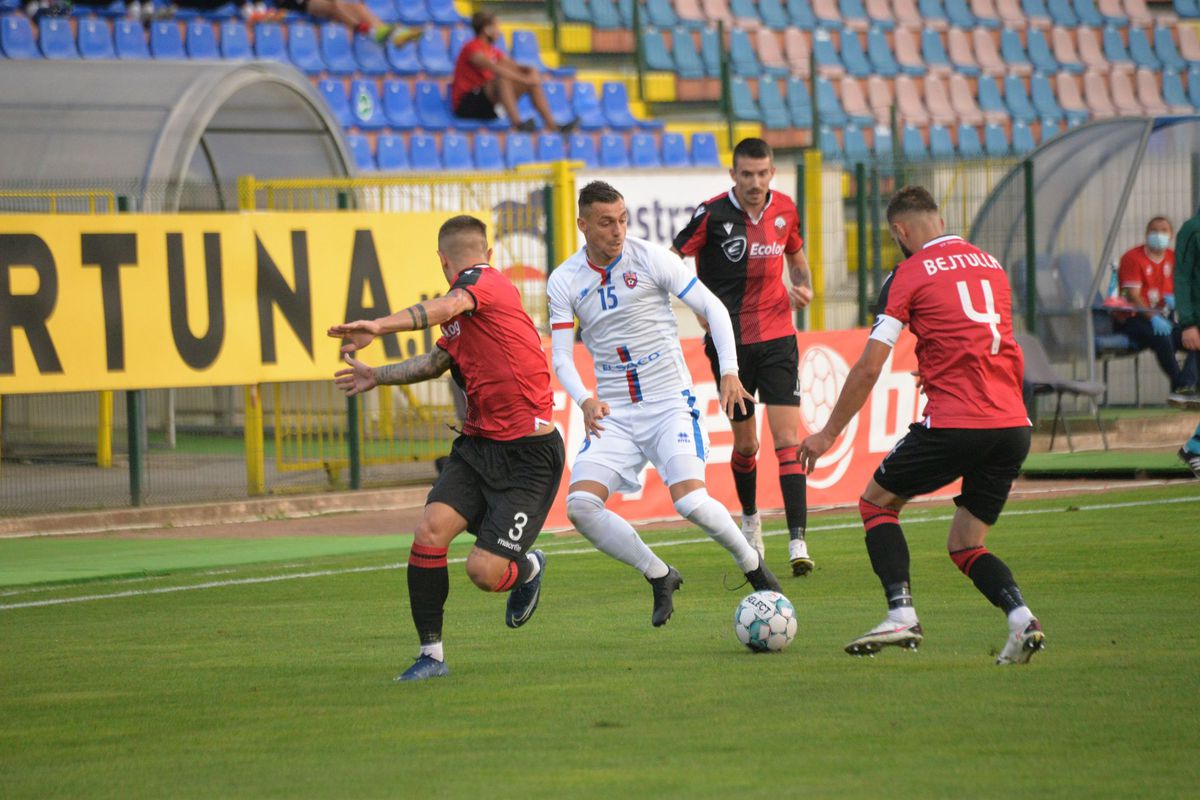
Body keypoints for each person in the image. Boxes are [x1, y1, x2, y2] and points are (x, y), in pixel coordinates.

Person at [798, 186, 1045, 665]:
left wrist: (828, 432)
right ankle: (1021, 619)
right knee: (965, 543)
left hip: (957, 422)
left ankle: (900, 613)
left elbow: (869, 366)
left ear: (899, 231)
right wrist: (936, 367)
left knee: (876, 503)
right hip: (1013, 424)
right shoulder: (990, 265)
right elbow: (983, 342)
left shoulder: (906, 274)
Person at [328, 215, 565, 682]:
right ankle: (431, 656)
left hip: (528, 457)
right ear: (489, 249)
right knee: (429, 530)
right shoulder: (465, 316)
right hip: (479, 447)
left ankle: (528, 569)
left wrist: (378, 325)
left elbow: (450, 302)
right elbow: (437, 361)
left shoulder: (485, 285)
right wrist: (378, 374)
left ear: (443, 260)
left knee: (484, 571)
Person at [548, 181, 783, 628]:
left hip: (668, 404)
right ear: (582, 225)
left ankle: (753, 566)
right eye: (605, 222)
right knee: (580, 506)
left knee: (691, 502)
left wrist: (730, 371)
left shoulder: (651, 257)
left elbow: (714, 309)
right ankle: (659, 574)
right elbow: (560, 355)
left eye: (622, 219)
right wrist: (584, 399)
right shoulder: (564, 280)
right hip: (614, 412)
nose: (617, 230)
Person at [672, 137, 815, 576]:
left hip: (777, 337)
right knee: (748, 444)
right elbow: (674, 259)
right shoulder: (711, 214)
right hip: (729, 344)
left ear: (773, 173)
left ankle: (798, 541)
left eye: (763, 173)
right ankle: (751, 518)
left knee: (787, 440)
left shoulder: (785, 210)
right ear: (733, 175)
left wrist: (803, 284)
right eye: (747, 174)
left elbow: (797, 254)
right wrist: (698, 307)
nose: (755, 182)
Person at [450, 10, 575, 133]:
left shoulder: (493, 50)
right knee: (503, 80)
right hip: (467, 104)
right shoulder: (471, 48)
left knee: (531, 84)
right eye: (496, 27)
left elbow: (515, 66)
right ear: (487, 29)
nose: (499, 31)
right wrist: (524, 79)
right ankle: (518, 124)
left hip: (487, 105)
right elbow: (494, 68)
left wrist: (530, 71)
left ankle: (554, 127)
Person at [1113, 216, 1198, 395]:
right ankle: (1180, 386)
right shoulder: (1132, 258)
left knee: (1194, 338)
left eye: (1163, 231)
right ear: (1146, 233)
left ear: (1171, 235)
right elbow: (1133, 296)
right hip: (1134, 319)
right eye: (1154, 230)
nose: (1158, 234)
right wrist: (1153, 318)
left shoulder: (1173, 257)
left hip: (1162, 318)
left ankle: (1187, 382)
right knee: (1163, 337)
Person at [1168, 209, 1200, 476]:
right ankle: (1194, 448)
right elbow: (1182, 276)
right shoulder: (1192, 230)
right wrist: (1188, 323)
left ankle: (1194, 447)